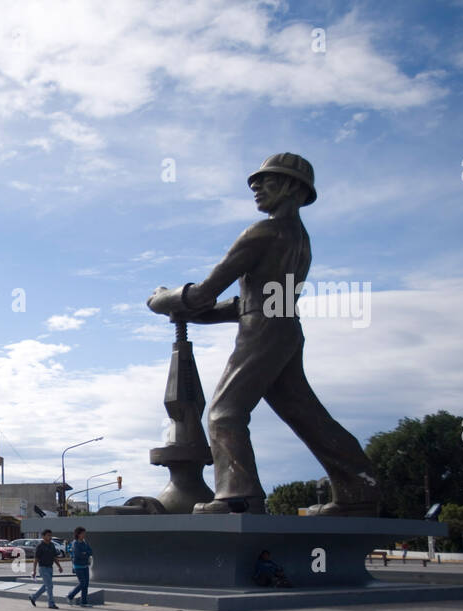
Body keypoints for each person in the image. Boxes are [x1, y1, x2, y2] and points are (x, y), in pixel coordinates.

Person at [146, 153, 379, 517]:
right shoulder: (297, 238)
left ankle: (238, 496)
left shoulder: (263, 233)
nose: (255, 188)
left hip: (264, 331)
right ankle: (359, 489)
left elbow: (208, 293)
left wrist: (164, 299)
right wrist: (191, 310)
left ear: (291, 188)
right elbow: (249, 303)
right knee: (306, 414)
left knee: (225, 413)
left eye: (266, 181)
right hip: (281, 326)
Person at [29, 528, 64, 608]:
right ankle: (51, 604)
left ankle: (33, 597)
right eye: (48, 535)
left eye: (50, 535)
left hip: (50, 568)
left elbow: (54, 557)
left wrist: (59, 566)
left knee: (46, 586)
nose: (50, 537)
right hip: (43, 568)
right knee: (50, 586)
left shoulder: (52, 545)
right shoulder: (40, 546)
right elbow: (36, 559)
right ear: (43, 536)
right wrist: (34, 571)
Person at [64, 527, 94, 606]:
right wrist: (85, 553)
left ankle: (84, 602)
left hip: (85, 566)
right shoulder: (75, 543)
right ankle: (70, 596)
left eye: (84, 533)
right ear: (78, 534)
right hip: (78, 566)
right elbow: (78, 555)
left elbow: (90, 552)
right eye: (83, 533)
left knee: (86, 584)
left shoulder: (84, 542)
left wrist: (85, 553)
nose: (84, 535)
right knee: (82, 583)